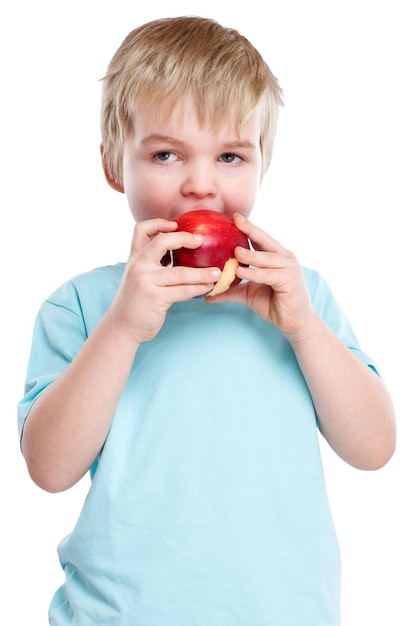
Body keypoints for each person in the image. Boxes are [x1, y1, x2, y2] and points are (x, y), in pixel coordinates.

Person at [18, 16, 396, 626]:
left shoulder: (301, 298)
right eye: (165, 154)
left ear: (261, 165)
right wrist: (122, 329)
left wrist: (303, 328)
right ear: (115, 167)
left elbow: (375, 449)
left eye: (229, 156)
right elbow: (49, 470)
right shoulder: (84, 307)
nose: (201, 184)